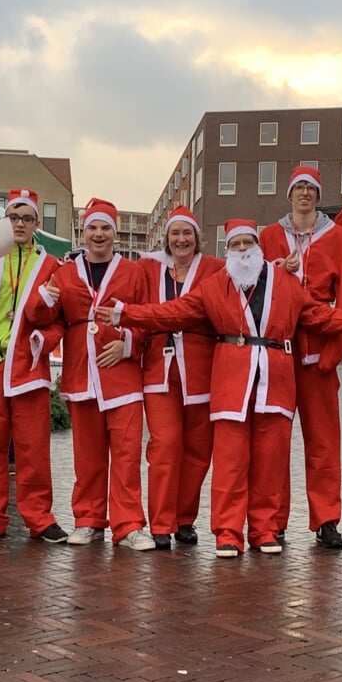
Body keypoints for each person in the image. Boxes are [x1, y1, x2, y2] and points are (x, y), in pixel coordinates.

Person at [100, 220, 342, 558]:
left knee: (270, 460)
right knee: (230, 460)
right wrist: (124, 314)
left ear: (259, 248)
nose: (243, 250)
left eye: (248, 243)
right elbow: (170, 313)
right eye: (236, 245)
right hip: (232, 378)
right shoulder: (215, 285)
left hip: (275, 377)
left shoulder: (285, 283)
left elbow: (317, 315)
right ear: (227, 251)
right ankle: (228, 532)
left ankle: (263, 529)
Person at [24, 198, 156, 551]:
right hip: (82, 376)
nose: (98, 234)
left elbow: (147, 318)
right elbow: (40, 318)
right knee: (88, 455)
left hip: (123, 377)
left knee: (127, 456)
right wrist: (43, 298)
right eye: (93, 227)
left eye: (105, 228)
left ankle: (128, 525)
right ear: (84, 231)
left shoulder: (134, 272)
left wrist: (128, 345)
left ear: (115, 233)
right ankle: (89, 520)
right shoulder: (64, 273)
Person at [258, 167, 342, 549]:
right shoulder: (269, 235)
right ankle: (272, 519)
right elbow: (254, 280)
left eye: (311, 188)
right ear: (289, 194)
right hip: (279, 346)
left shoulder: (337, 236)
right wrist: (278, 268)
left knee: (324, 440)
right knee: (273, 440)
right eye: (299, 188)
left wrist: (337, 346)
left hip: (319, 340)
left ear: (317, 195)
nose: (305, 194)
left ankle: (326, 519)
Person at [0, 188, 69, 544]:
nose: (20, 223)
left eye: (27, 218)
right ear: (6, 220)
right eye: (14, 217)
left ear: (37, 223)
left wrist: (42, 341)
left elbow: (59, 321)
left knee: (33, 446)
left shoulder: (52, 265)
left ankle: (39, 517)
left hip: (28, 367)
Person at [135, 207, 222, 549]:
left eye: (187, 233)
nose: (181, 239)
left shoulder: (215, 269)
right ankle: (160, 523)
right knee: (165, 446)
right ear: (166, 239)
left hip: (202, 371)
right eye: (175, 234)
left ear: (197, 238)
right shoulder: (149, 270)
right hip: (160, 369)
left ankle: (185, 519)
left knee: (199, 450)